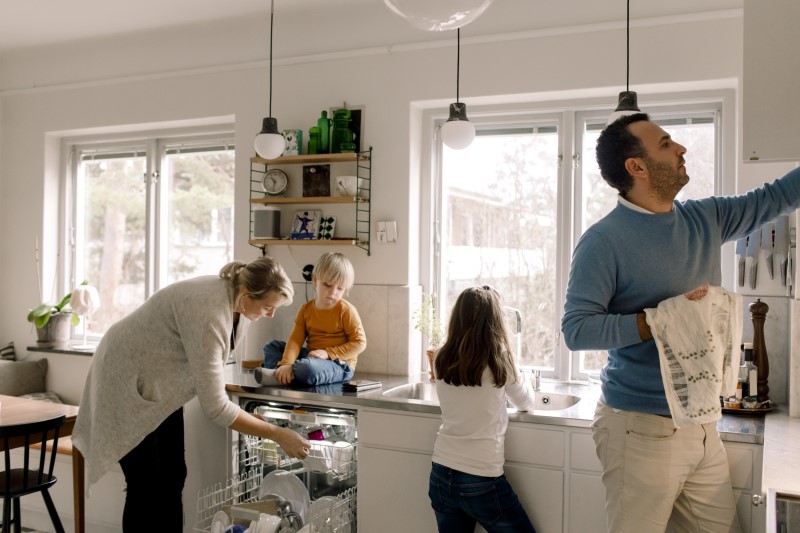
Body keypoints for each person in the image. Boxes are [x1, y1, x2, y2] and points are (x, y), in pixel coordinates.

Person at [561, 112, 800, 532]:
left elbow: (776, 197)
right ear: (636, 166)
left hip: (702, 422)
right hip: (639, 429)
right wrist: (660, 321)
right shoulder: (603, 241)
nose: (681, 149)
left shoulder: (705, 218)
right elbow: (577, 330)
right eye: (666, 144)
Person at [71, 257, 312, 533]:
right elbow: (216, 408)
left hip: (159, 383)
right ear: (247, 294)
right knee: (145, 484)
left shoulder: (237, 301)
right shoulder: (211, 311)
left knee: (174, 475)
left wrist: (257, 423)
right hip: (123, 377)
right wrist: (277, 433)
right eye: (268, 307)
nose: (270, 314)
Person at [428, 285, 537, 533]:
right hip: (481, 479)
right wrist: (523, 373)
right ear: (495, 321)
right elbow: (525, 402)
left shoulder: (441, 356)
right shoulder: (500, 359)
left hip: (441, 473)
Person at [255, 252, 366, 386]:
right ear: (314, 281)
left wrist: (328, 353)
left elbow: (360, 343)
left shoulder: (346, 310)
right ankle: (283, 372)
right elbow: (295, 340)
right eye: (327, 285)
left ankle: (283, 375)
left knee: (306, 368)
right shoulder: (306, 309)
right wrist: (287, 363)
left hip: (339, 364)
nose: (333, 292)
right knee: (272, 347)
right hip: (311, 357)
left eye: (340, 288)